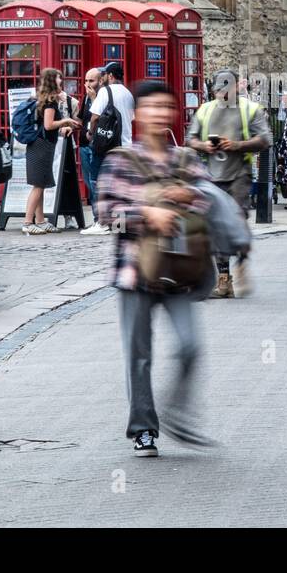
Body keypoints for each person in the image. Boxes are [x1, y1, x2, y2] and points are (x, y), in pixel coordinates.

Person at [97, 80, 214, 457]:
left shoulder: (187, 160)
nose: (161, 113)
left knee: (191, 346)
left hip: (181, 269)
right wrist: (146, 214)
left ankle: (176, 411)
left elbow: (211, 205)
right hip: (135, 271)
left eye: (168, 106)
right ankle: (144, 429)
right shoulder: (120, 160)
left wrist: (189, 199)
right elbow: (105, 218)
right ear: (139, 113)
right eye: (153, 107)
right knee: (139, 355)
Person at [187, 68, 271, 298]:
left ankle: (242, 262)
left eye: (229, 86)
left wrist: (236, 145)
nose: (224, 92)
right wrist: (204, 146)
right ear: (214, 89)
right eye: (220, 87)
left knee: (238, 219)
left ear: (237, 87)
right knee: (215, 226)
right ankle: (224, 281)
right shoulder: (205, 110)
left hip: (239, 174)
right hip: (212, 175)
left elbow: (265, 140)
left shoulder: (250, 109)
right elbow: (190, 139)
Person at [22, 68, 81, 234]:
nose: (60, 81)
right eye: (58, 78)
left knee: (40, 184)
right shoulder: (50, 101)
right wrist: (66, 120)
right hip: (42, 145)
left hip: (37, 144)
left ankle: (40, 221)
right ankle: (28, 222)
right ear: (51, 80)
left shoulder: (40, 97)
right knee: (39, 185)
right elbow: (48, 125)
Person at [78, 67, 110, 235]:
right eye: (86, 80)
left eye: (92, 81)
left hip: (99, 145)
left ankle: (103, 220)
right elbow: (80, 118)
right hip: (84, 145)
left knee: (100, 183)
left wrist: (94, 98)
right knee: (91, 184)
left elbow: (103, 118)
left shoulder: (104, 97)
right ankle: (97, 218)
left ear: (101, 81)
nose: (88, 84)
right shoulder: (85, 98)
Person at [87, 61, 135, 150]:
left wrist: (90, 133)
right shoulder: (129, 94)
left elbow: (95, 117)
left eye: (104, 74)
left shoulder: (105, 91)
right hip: (126, 146)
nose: (102, 77)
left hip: (108, 145)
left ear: (110, 76)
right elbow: (131, 119)